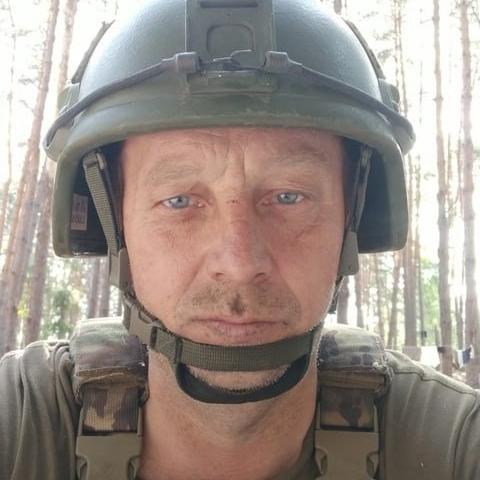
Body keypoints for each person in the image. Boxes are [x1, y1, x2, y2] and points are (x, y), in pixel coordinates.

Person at [1, 1, 479, 479]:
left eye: (289, 197)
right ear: (114, 223)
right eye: (179, 201)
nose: (239, 262)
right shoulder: (21, 425)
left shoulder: (452, 445)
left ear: (351, 218)